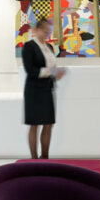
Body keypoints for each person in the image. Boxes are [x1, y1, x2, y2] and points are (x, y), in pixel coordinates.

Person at [21, 18, 66, 158]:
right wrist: (51, 72)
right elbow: (30, 70)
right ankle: (34, 158)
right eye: (44, 30)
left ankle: (45, 157)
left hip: (47, 89)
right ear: (36, 30)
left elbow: (50, 69)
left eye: (48, 31)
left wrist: (55, 75)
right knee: (34, 125)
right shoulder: (29, 46)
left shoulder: (50, 47)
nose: (47, 33)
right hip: (34, 90)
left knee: (48, 124)